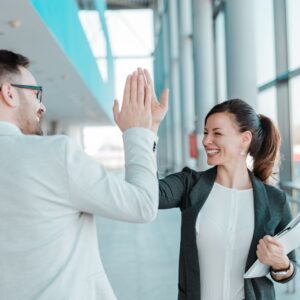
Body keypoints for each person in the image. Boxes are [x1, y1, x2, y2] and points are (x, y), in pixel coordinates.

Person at [0, 50, 163, 300]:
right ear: (9, 93)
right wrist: (140, 132)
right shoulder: (55, 155)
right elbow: (142, 205)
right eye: (36, 94)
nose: (41, 106)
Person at [143, 69, 297, 300]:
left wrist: (281, 264)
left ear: (244, 139)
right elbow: (147, 194)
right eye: (205, 132)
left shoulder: (275, 200)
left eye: (217, 133)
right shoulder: (189, 185)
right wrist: (149, 131)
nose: (206, 140)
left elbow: (290, 269)